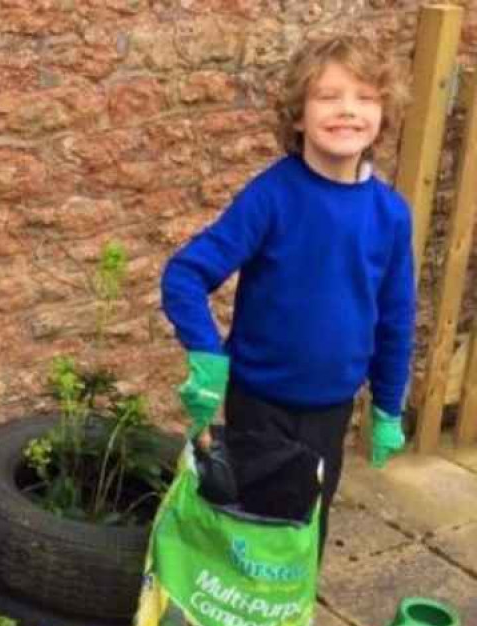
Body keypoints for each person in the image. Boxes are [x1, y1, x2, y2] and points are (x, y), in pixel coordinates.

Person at [161, 33, 415, 556]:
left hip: (331, 409)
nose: (348, 110)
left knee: (306, 534)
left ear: (383, 117)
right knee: (252, 529)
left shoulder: (390, 216)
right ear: (298, 115)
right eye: (329, 96)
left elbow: (396, 319)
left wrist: (388, 406)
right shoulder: (272, 196)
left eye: (365, 98)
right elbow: (185, 274)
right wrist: (208, 357)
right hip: (260, 404)